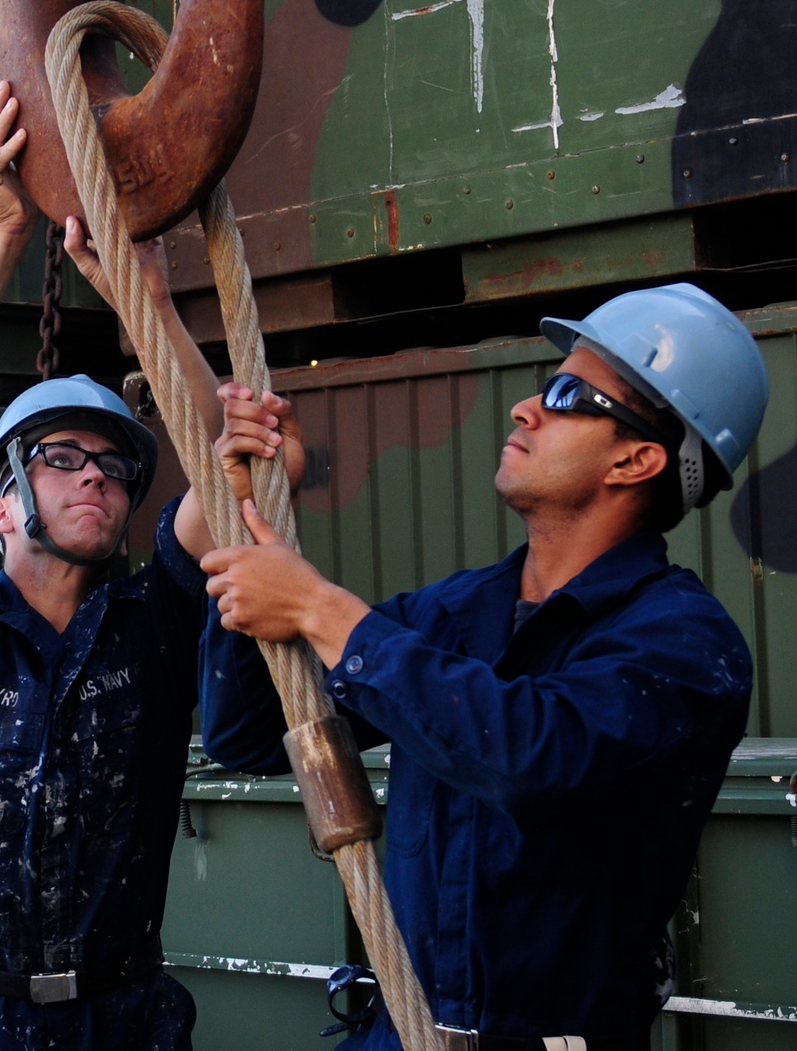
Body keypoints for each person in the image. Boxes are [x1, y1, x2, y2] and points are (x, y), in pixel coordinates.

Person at [198, 283, 769, 1051]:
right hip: (395, 1035)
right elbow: (249, 734)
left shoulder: (687, 644)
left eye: (569, 395)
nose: (524, 409)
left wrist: (321, 611)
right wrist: (246, 519)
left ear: (637, 459)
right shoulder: (457, 614)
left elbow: (533, 759)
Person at [0, 81, 230, 1051]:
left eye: (113, 465)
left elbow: (223, 462)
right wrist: (2, 238)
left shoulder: (153, 622)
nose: (95, 478)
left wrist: (136, 297)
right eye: (60, 458)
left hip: (127, 1019)